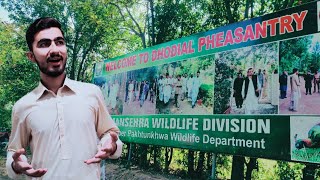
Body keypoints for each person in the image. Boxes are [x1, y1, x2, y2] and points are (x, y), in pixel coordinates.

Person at [6, 17, 123, 179]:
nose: (54, 49)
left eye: (59, 42)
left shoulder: (92, 93)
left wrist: (111, 145)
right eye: (44, 44)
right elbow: (14, 151)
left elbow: (111, 136)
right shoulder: (23, 106)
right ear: (31, 56)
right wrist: (15, 165)